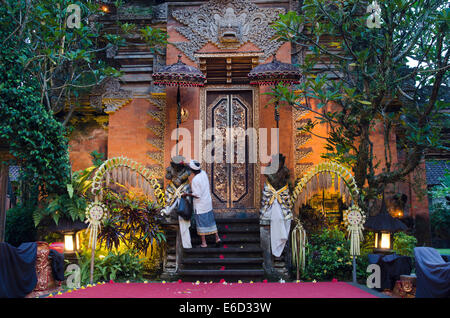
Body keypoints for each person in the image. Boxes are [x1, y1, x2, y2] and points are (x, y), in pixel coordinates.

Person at [182, 160, 221, 248]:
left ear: (192, 170)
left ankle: (204, 243)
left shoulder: (195, 180)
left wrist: (187, 194)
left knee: (201, 223)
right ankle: (217, 238)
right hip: (207, 202)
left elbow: (197, 195)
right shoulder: (203, 173)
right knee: (210, 221)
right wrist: (185, 163)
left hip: (200, 205)